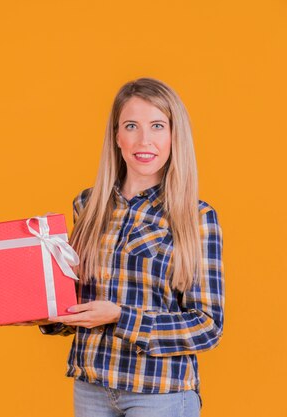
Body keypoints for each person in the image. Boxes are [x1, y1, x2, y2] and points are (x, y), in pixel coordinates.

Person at [43, 78, 224, 417]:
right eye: (131, 126)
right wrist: (44, 312)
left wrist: (122, 318)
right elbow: (84, 302)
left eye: (157, 126)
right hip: (91, 387)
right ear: (116, 136)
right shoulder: (88, 205)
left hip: (160, 393)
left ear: (174, 136)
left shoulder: (196, 217)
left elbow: (207, 326)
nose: (144, 140)